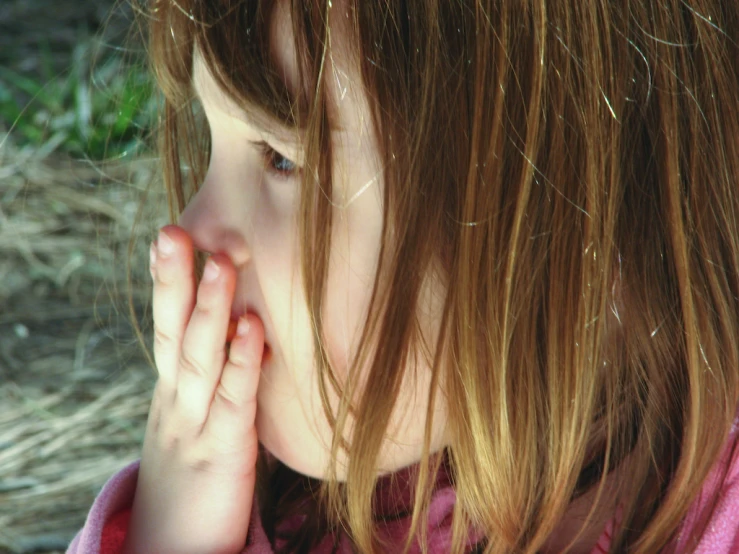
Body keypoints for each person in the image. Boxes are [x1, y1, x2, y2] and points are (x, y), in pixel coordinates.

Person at [68, 0, 739, 552]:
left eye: (279, 158)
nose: (192, 228)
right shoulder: (273, 509)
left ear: (585, 226)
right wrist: (172, 531)